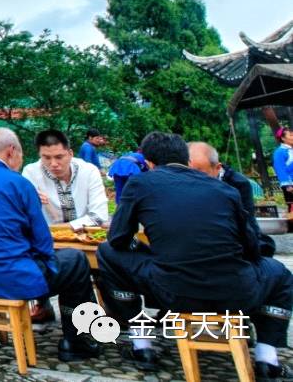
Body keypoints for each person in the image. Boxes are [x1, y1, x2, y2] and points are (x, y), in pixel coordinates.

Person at [97, 131, 293, 377]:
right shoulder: (225, 190)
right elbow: (252, 247)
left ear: (147, 163)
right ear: (186, 159)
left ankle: (141, 344)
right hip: (236, 292)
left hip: (172, 292)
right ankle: (267, 358)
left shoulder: (140, 184)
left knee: (107, 252)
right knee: (281, 274)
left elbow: (118, 239)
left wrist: (149, 248)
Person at [0, 128, 101, 363]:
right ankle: (77, 341)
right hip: (11, 274)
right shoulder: (18, 183)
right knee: (75, 261)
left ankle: (36, 314)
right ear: (11, 152)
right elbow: (41, 241)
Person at [21, 129, 109, 324]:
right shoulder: (31, 172)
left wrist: (66, 227)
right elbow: (26, 215)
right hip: (48, 242)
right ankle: (44, 304)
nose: (53, 164)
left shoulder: (88, 171)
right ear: (39, 155)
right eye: (46, 158)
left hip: (86, 237)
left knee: (102, 260)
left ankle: (107, 309)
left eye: (59, 157)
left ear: (70, 153)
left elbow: (99, 215)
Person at [273, 127, 293, 212]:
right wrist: (288, 185)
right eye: (291, 135)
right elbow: (280, 169)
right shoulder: (279, 152)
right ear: (283, 138)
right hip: (290, 185)